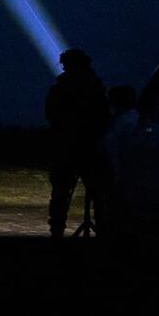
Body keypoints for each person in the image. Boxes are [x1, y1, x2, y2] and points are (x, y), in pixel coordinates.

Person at [45, 48, 112, 238]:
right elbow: (104, 117)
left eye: (65, 64)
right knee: (98, 193)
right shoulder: (96, 88)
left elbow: (51, 115)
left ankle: (57, 231)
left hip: (68, 148)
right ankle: (103, 232)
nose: (63, 67)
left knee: (61, 193)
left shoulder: (61, 88)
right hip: (89, 148)